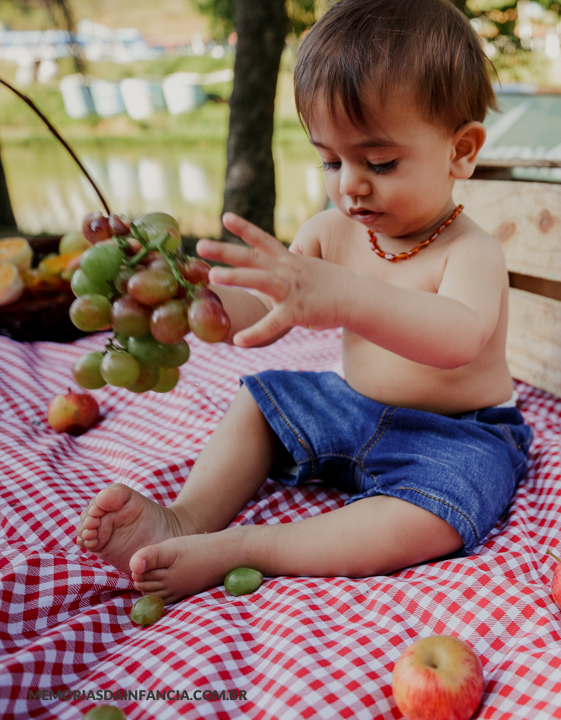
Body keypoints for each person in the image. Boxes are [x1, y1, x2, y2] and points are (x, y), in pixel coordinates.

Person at [74, 0, 531, 604]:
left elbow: (458, 338)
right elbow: (260, 302)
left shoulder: (471, 250)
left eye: (380, 162)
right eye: (330, 160)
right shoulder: (330, 231)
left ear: (460, 151)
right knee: (260, 401)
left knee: (443, 511)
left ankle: (249, 548)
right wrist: (187, 303)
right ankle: (184, 519)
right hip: (352, 404)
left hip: (457, 433)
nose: (349, 184)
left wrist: (349, 296)